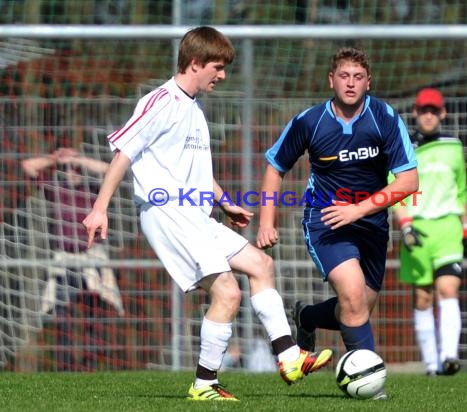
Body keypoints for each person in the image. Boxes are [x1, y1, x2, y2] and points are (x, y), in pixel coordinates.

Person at [82, 26, 332, 401]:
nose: (223, 75)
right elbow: (124, 154)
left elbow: (194, 171)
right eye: (217, 66)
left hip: (196, 215)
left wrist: (225, 201)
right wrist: (99, 209)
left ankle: (289, 356)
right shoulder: (161, 100)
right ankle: (204, 385)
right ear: (195, 63)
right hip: (167, 213)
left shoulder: (194, 107)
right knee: (228, 292)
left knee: (261, 265)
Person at [256, 46, 418, 397]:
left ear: (368, 82)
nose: (350, 83)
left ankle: (309, 318)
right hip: (326, 221)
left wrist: (359, 210)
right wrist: (266, 221)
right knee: (354, 296)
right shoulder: (310, 121)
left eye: (358, 77)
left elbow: (409, 181)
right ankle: (370, 385)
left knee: (356, 307)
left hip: (372, 226)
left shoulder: (385, 118)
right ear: (331, 80)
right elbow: (275, 166)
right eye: (344, 76)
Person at [391, 88, 467, 376]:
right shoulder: (404, 148)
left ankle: (450, 356)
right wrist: (406, 226)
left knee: (448, 289)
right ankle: (431, 365)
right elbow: (397, 191)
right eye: (423, 110)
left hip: (448, 227)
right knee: (423, 296)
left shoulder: (454, 146)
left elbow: (461, 190)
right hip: (418, 229)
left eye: (434, 110)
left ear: (442, 113)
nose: (428, 115)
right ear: (415, 113)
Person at [21, 147, 125, 370]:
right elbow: (28, 165)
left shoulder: (94, 188)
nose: (73, 170)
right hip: (65, 259)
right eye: (68, 167)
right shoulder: (55, 188)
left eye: (76, 166)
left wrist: (80, 159)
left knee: (95, 314)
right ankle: (64, 366)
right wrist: (55, 158)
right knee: (62, 315)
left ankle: (92, 365)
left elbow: (111, 169)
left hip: (91, 257)